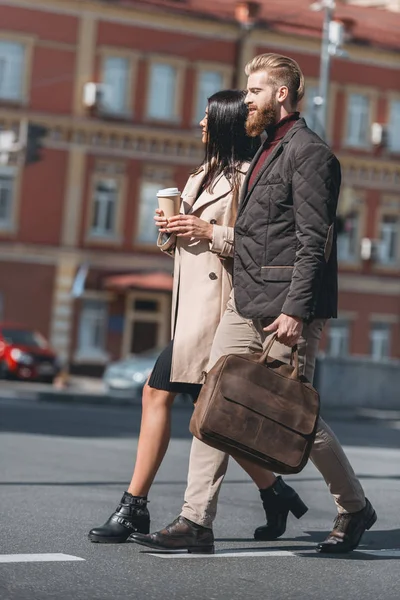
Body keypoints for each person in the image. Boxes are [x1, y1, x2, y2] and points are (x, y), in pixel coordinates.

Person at [129, 54, 377, 555]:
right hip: (246, 301)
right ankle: (195, 521)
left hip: (286, 307)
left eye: (255, 91)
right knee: (214, 399)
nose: (247, 100)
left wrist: (296, 310)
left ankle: (353, 506)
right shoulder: (265, 150)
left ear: (281, 95)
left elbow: (314, 242)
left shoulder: (310, 155)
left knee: (290, 415)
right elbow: (253, 235)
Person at [88, 89, 307, 545]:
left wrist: (210, 231)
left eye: (208, 118)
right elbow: (184, 243)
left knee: (186, 405)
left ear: (227, 123)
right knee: (210, 415)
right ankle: (275, 492)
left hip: (221, 311)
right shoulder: (201, 175)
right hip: (189, 310)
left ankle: (135, 507)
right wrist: (169, 232)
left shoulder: (251, 177)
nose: (201, 125)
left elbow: (259, 243)